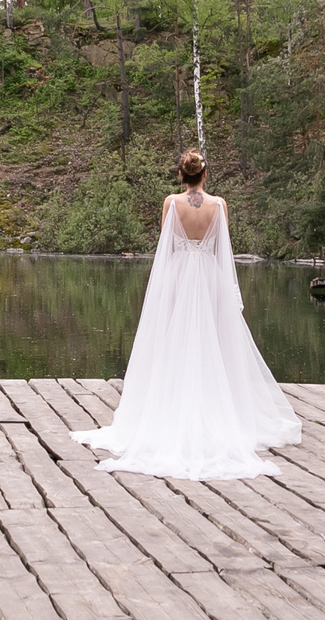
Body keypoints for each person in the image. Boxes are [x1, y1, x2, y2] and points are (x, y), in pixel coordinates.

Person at [73, 148, 302, 479]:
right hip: (209, 276)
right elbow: (224, 251)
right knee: (212, 343)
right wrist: (230, 292)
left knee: (176, 340)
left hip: (180, 275)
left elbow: (166, 248)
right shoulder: (219, 205)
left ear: (181, 175)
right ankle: (214, 409)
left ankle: (172, 408)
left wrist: (161, 290)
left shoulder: (171, 203)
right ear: (204, 175)